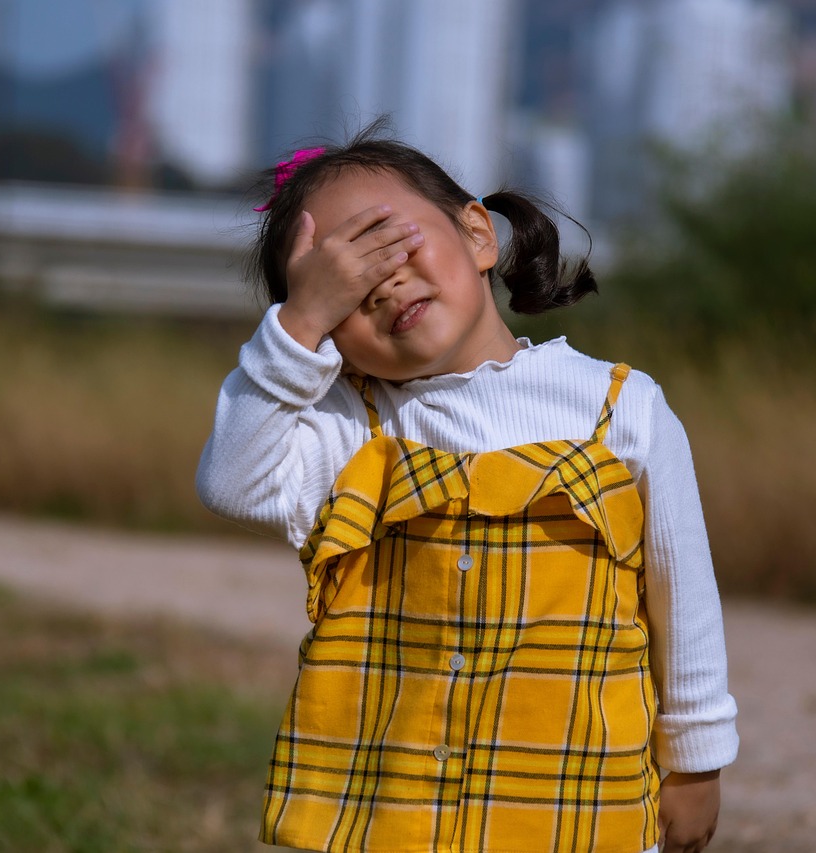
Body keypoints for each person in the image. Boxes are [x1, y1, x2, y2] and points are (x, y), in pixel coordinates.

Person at [196, 124, 738, 853]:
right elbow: (234, 480)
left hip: (579, 803)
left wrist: (697, 761)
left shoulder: (622, 408)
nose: (381, 282)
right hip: (393, 813)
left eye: (389, 242)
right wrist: (298, 323)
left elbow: (684, 598)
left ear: (479, 234)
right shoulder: (354, 430)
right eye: (342, 288)